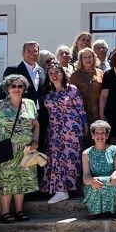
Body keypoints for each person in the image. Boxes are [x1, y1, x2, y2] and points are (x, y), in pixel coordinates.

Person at [0, 74, 40, 223]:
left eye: (20, 86)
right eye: (13, 86)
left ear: (24, 88)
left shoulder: (30, 104)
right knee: (6, 181)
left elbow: (36, 124)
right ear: (7, 89)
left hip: (26, 149)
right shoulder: (1, 105)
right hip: (7, 148)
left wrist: (36, 140)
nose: (17, 89)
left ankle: (19, 210)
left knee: (22, 180)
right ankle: (5, 212)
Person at [42, 62, 86, 204]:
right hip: (54, 130)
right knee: (55, 159)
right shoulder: (48, 95)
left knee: (69, 160)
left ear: (62, 74)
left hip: (71, 131)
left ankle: (65, 189)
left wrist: (85, 128)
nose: (54, 75)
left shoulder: (72, 90)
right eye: (51, 73)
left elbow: (81, 110)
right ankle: (59, 190)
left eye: (57, 72)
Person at [82, 120, 116, 219]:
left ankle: (108, 211)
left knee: (113, 182)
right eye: (97, 133)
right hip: (94, 183)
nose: (100, 136)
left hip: (111, 181)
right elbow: (86, 176)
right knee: (96, 184)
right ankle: (95, 212)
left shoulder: (114, 149)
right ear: (93, 135)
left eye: (103, 133)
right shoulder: (86, 153)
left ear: (107, 135)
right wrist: (91, 181)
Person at [70, 47, 103, 141]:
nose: (88, 59)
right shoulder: (75, 75)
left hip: (98, 112)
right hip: (82, 113)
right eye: (85, 57)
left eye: (90, 57)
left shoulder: (100, 73)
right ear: (81, 60)